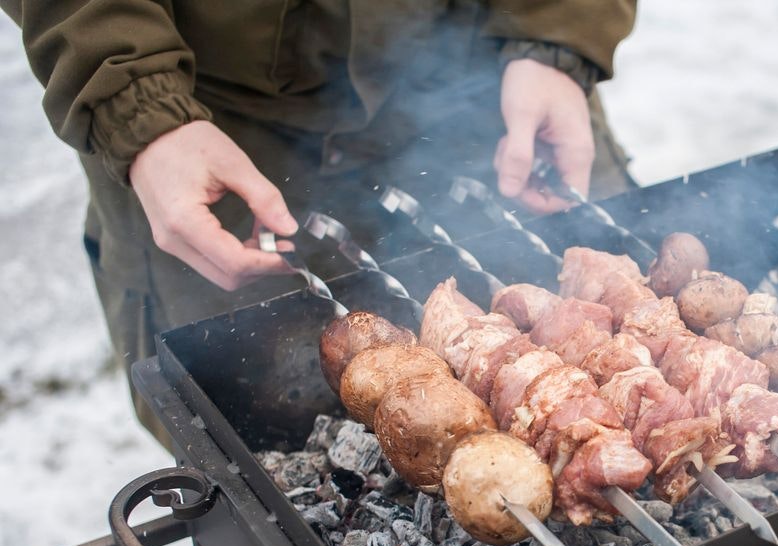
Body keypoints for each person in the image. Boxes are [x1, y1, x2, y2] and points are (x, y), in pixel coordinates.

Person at [3, 0, 637, 447]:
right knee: (256, 431)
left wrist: (558, 35)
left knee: (606, 303)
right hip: (205, 112)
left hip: (482, 73)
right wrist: (138, 110)